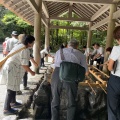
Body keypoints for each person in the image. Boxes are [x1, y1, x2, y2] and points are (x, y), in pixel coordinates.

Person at [51, 39, 89, 120]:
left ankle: (54, 118)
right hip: (72, 77)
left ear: (68, 45)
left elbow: (54, 65)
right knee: (71, 101)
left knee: (55, 99)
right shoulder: (81, 55)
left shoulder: (59, 51)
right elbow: (86, 71)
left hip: (57, 73)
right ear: (77, 46)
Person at [1, 35, 35, 115]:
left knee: (13, 86)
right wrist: (32, 72)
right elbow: (24, 65)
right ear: (29, 42)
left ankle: (13, 102)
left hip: (12, 69)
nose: (33, 44)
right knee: (10, 88)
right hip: (12, 69)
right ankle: (6, 109)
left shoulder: (20, 46)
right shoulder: (25, 50)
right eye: (33, 42)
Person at [107, 26, 120, 120]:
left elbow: (110, 67)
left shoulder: (116, 48)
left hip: (116, 80)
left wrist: (111, 67)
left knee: (112, 108)